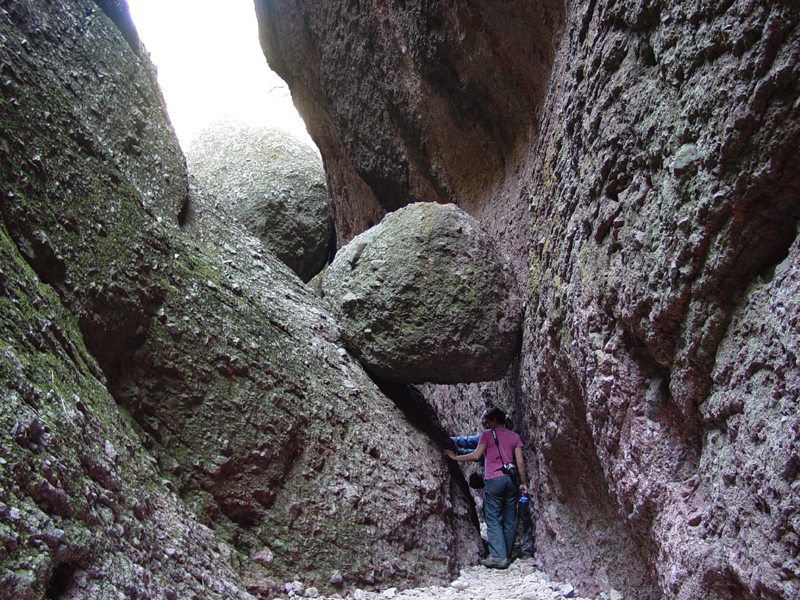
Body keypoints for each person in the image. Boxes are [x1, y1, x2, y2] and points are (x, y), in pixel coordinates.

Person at [445, 407, 528, 569]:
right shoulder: (515, 437)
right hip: (511, 481)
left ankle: (498, 556)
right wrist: (523, 483)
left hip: (494, 481)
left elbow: (476, 455)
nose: (485, 423)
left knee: (493, 518)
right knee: (510, 518)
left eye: (487, 421)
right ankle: (507, 553)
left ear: (494, 420)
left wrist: (456, 457)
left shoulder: (487, 435)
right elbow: (520, 463)